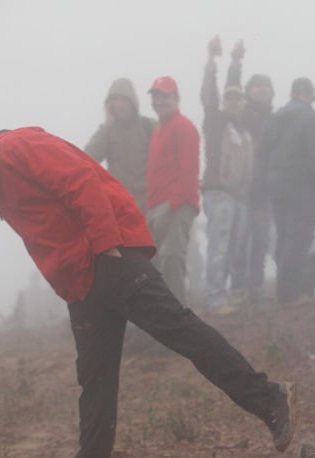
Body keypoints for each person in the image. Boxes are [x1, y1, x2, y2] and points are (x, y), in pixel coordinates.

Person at [0, 127, 294, 458]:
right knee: (95, 385)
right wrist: (68, 285)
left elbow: (81, 180)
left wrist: (106, 246)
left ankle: (270, 398)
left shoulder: (16, 147)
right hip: (82, 283)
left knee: (182, 332)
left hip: (108, 257)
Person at [259, 77, 315, 304]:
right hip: (303, 187)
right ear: (310, 95)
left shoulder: (274, 120)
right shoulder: (313, 119)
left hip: (276, 187)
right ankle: (290, 293)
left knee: (284, 238)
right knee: (298, 239)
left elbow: (262, 155)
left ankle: (285, 290)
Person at [201, 37, 253, 314]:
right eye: (229, 98)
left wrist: (236, 62)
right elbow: (209, 94)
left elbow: (232, 85)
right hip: (218, 191)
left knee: (236, 246)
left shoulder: (241, 126)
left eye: (238, 97)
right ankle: (215, 298)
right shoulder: (215, 121)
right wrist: (213, 62)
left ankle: (232, 294)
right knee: (219, 245)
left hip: (238, 194)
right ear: (224, 102)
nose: (234, 100)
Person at [146, 75, 201, 303]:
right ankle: (166, 319)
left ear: (176, 98)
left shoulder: (183, 127)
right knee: (157, 263)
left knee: (171, 259)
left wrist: (172, 205)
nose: (160, 101)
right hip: (158, 206)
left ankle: (179, 322)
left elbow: (189, 170)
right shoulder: (159, 130)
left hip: (177, 206)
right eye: (156, 96)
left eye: (165, 96)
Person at [230, 53, 275, 304]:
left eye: (266, 86)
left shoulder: (276, 119)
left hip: (265, 187)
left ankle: (255, 287)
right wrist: (235, 64)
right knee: (239, 237)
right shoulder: (241, 115)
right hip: (241, 185)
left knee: (260, 238)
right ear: (248, 91)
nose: (262, 89)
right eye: (257, 85)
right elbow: (231, 89)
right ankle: (237, 286)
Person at [84, 78, 157, 212]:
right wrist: (107, 125)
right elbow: (87, 159)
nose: (119, 105)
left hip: (147, 207)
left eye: (123, 100)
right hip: (119, 206)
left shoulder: (149, 127)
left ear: (132, 102)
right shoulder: (108, 131)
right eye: (114, 100)